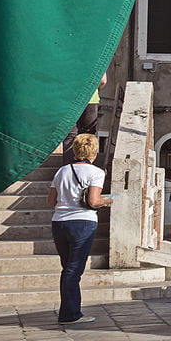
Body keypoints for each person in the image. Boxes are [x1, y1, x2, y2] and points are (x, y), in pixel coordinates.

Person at [49, 133, 107, 326]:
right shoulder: (96, 172)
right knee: (74, 270)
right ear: (94, 152)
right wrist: (107, 201)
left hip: (59, 222)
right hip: (82, 223)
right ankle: (70, 314)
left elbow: (51, 201)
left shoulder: (61, 171)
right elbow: (93, 201)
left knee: (68, 268)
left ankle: (71, 310)